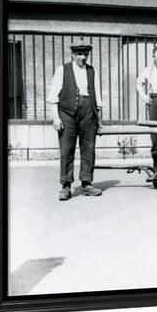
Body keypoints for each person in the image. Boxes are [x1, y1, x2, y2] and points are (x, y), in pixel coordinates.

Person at [47, 41, 103, 200]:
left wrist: (99, 120)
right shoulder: (62, 70)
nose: (83, 57)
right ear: (73, 55)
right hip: (67, 114)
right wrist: (56, 118)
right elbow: (53, 97)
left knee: (88, 148)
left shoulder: (92, 71)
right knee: (66, 149)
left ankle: (86, 183)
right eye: (79, 54)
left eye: (85, 54)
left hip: (88, 114)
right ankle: (66, 186)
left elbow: (97, 96)